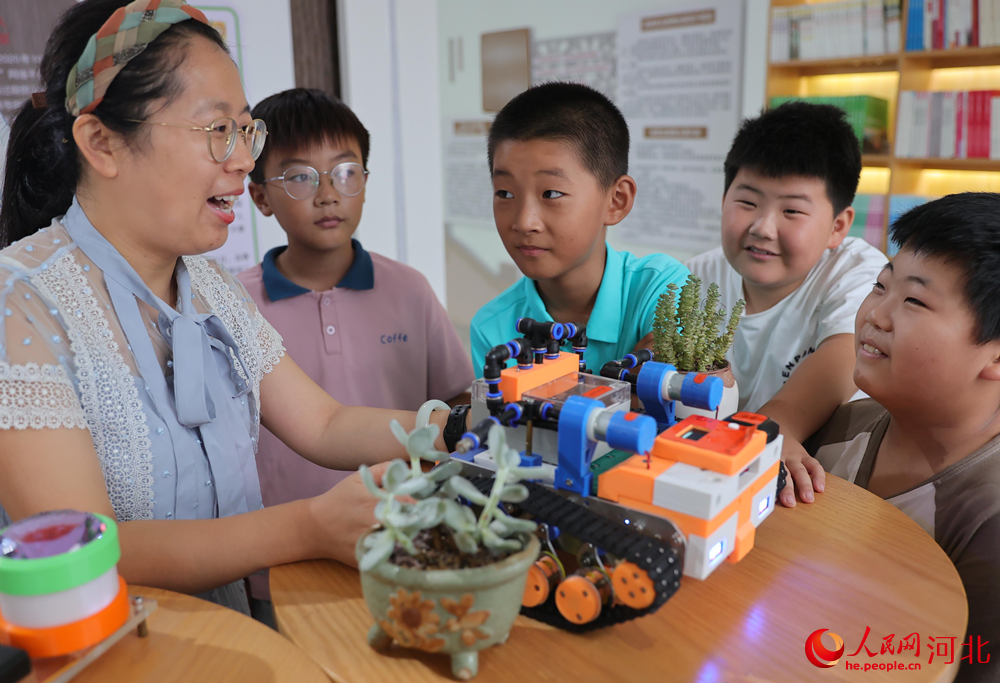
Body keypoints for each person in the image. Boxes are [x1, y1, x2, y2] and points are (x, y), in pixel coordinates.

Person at [0, 0, 461, 615]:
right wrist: (309, 527)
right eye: (218, 130)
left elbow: (322, 423)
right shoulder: (20, 303)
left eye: (246, 130)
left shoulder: (211, 287)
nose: (244, 160)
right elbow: (87, 551)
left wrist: (464, 431)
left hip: (234, 641)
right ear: (102, 142)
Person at [236, 87, 473, 612]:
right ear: (259, 196)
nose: (327, 194)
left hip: (406, 538)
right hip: (283, 558)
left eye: (346, 171)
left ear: (365, 181)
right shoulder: (234, 307)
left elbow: (456, 401)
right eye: (299, 176)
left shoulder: (409, 290)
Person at [805, 193, 1000, 683]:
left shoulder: (988, 514)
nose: (876, 314)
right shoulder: (840, 427)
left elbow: (971, 664)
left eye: (914, 300)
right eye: (880, 286)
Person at [685, 102, 887, 508]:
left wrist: (769, 428)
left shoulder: (859, 273)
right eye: (747, 203)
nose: (762, 227)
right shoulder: (694, 279)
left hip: (807, 486)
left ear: (837, 226)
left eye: (791, 210)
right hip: (707, 473)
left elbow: (841, 359)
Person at [469, 82, 689, 374]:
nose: (524, 222)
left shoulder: (661, 289)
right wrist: (633, 384)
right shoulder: (491, 329)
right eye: (505, 193)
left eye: (551, 193)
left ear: (616, 201)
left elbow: (682, 409)